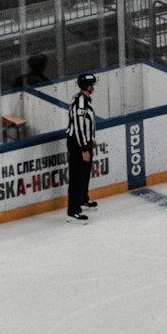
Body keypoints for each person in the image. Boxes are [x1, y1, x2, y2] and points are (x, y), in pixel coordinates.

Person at [66, 72, 99, 223]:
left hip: (84, 141)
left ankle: (83, 199)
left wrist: (91, 138)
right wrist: (83, 149)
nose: (94, 87)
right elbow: (78, 127)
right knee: (77, 177)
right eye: (92, 84)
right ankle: (73, 211)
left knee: (85, 173)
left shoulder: (86, 100)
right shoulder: (79, 102)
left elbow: (88, 123)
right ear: (87, 86)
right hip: (77, 143)